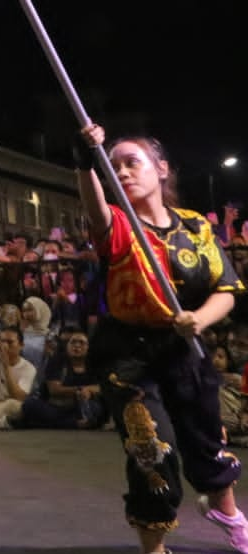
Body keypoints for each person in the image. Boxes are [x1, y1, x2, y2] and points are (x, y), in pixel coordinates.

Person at [78, 123, 248, 554]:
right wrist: (85, 162)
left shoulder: (195, 227)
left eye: (132, 163)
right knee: (152, 449)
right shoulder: (118, 225)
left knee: (206, 443)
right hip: (129, 355)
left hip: (183, 348)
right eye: (113, 167)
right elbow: (95, 210)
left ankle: (226, 511)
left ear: (161, 169)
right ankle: (153, 549)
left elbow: (225, 289)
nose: (123, 173)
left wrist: (199, 319)